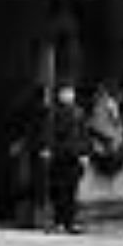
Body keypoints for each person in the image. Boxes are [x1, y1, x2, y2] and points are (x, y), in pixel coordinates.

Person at [45, 83, 89, 233]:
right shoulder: (54, 113)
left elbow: (84, 135)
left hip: (74, 156)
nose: (68, 95)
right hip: (59, 155)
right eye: (65, 93)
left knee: (72, 190)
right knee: (59, 190)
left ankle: (70, 222)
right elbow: (49, 133)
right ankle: (59, 223)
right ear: (60, 95)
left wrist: (84, 153)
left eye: (71, 92)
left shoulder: (79, 112)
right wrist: (48, 149)